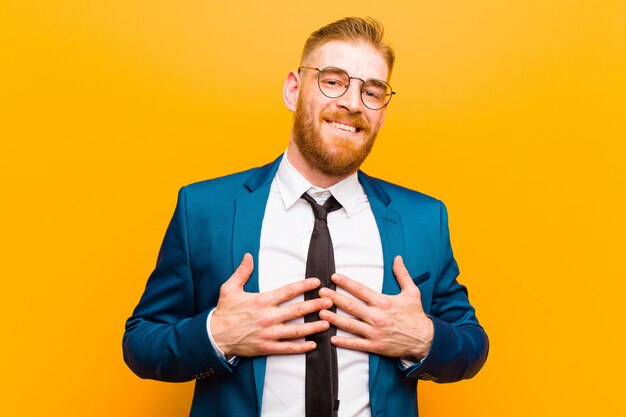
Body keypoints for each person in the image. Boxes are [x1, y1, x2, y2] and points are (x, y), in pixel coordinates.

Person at [123, 16, 488, 417]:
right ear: (294, 90)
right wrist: (216, 334)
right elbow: (141, 343)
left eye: (372, 91)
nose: (352, 103)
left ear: (383, 111)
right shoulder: (205, 209)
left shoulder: (423, 219)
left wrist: (422, 338)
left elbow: (472, 344)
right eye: (333, 81)